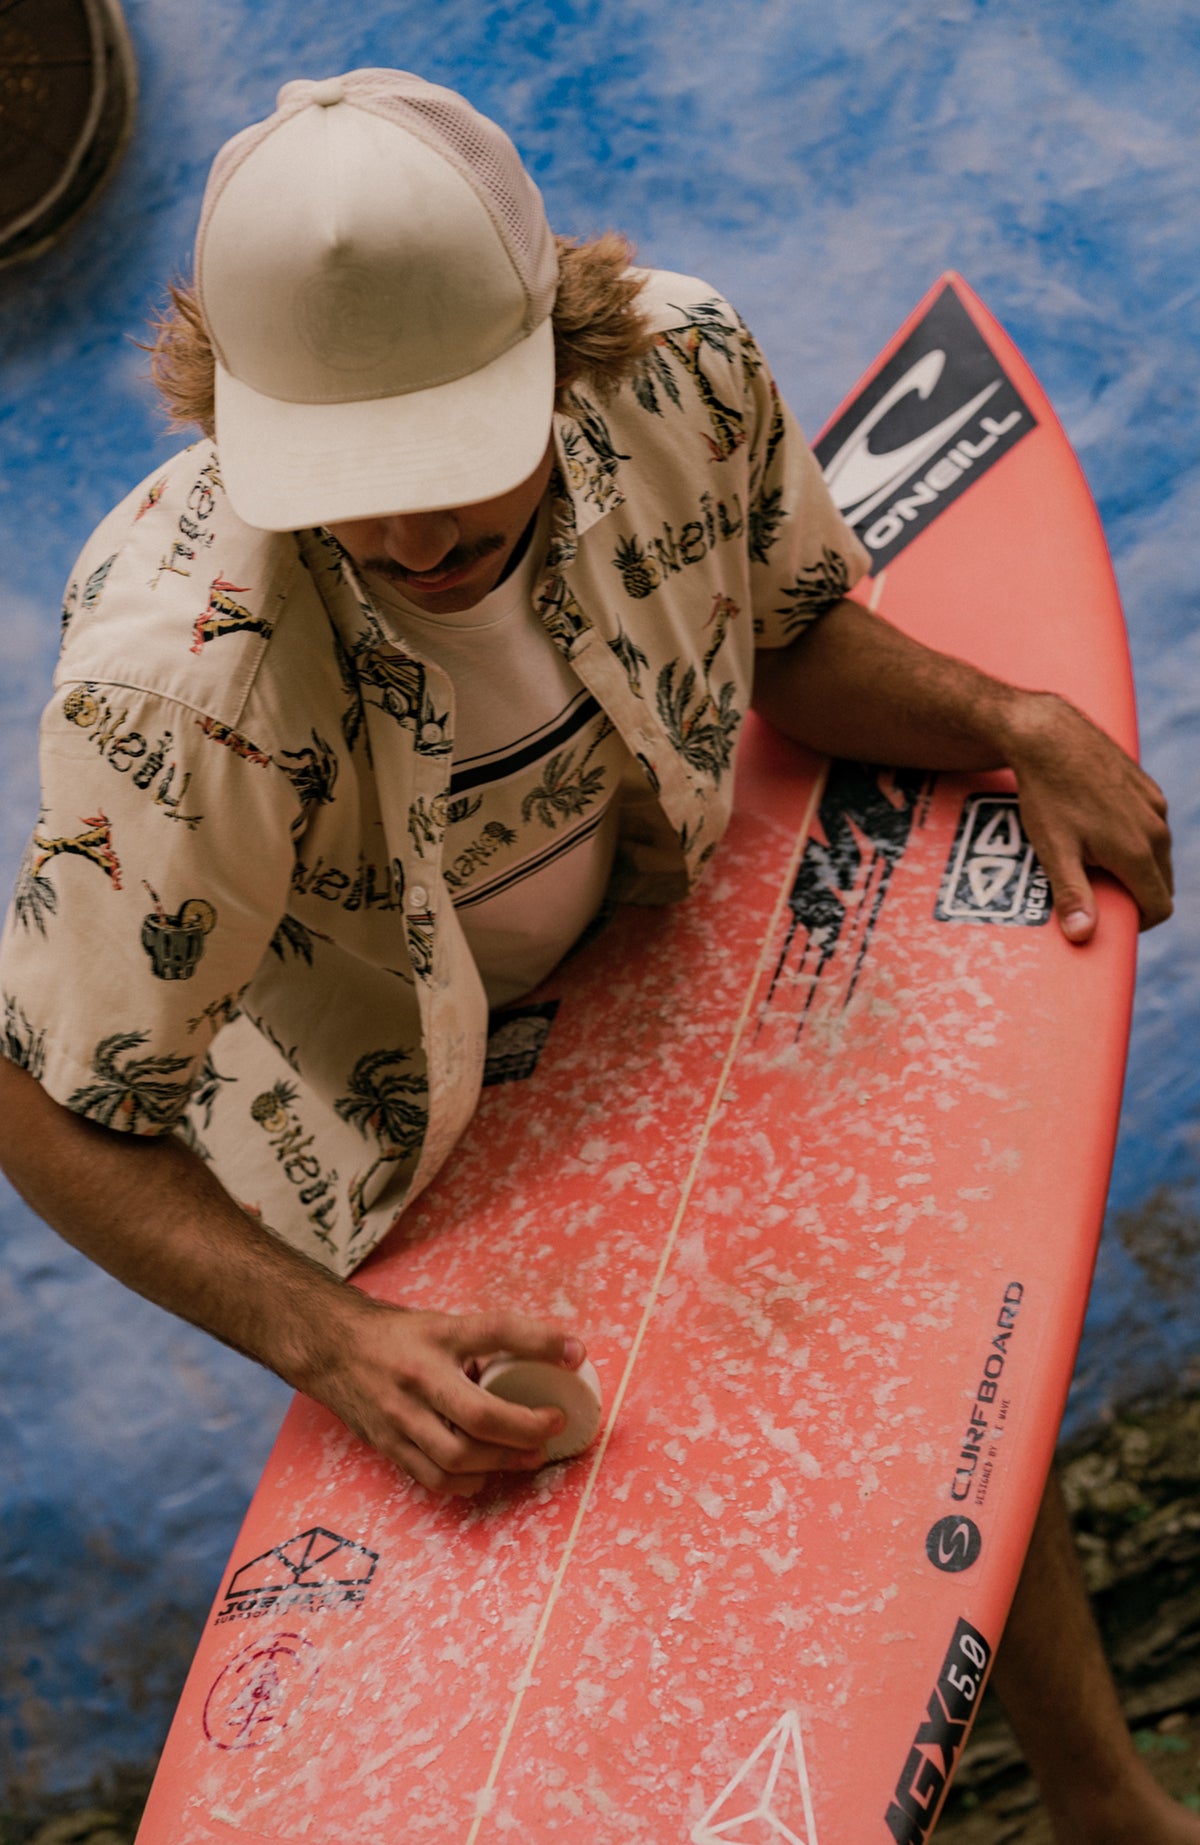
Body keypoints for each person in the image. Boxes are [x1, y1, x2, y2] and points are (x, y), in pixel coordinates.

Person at [0, 68, 1187, 1843]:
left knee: (901, 1369)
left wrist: (1009, 715)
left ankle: (1107, 1809)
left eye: (452, 470)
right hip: (413, 1145)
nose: (408, 537)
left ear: (564, 338)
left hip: (673, 936)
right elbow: (42, 1104)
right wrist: (338, 1344)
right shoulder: (178, 688)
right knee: (620, 1566)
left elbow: (792, 641)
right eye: (352, 487)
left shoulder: (681, 372)